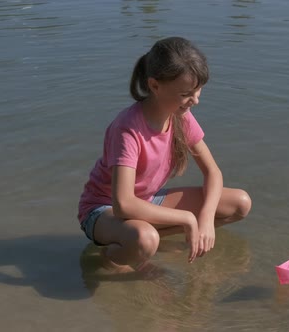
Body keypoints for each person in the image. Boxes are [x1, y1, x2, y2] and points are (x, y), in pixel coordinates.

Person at [77, 37, 252, 272]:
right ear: (155, 86)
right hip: (102, 210)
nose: (196, 100)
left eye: (198, 91)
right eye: (186, 93)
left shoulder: (181, 115)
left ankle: (148, 243)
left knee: (240, 203)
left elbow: (213, 172)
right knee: (145, 238)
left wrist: (206, 218)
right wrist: (188, 219)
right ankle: (110, 257)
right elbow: (123, 205)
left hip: (147, 200)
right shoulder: (127, 128)